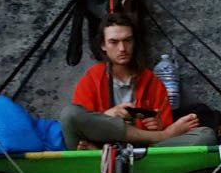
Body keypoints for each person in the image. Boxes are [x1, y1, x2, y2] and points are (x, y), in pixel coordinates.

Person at [65, 16, 205, 146]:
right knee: (70, 113)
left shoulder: (152, 81)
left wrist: (159, 125)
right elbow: (81, 122)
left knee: (205, 135)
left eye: (127, 40)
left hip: (144, 151)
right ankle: (162, 137)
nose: (122, 49)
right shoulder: (91, 78)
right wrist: (107, 117)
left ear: (134, 42)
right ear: (103, 45)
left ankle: (160, 138)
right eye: (114, 42)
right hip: (102, 149)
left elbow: (166, 123)